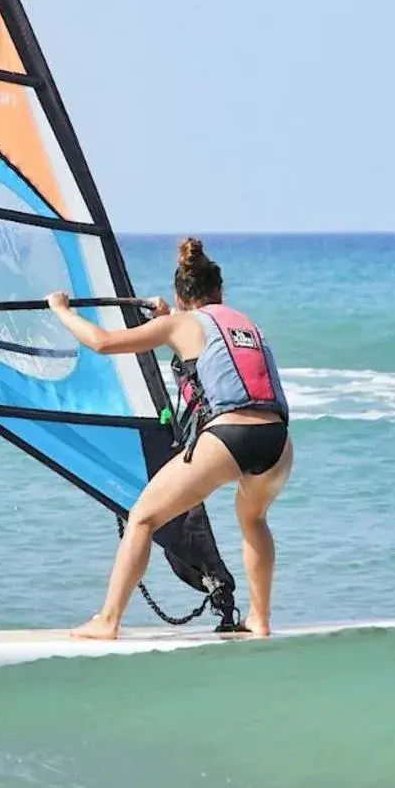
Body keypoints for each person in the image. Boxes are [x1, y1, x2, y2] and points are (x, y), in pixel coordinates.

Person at [45, 237, 294, 640]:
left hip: (229, 435)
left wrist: (62, 310)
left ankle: (107, 621)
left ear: (181, 295)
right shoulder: (247, 325)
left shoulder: (180, 322)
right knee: (253, 518)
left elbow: (102, 343)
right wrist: (168, 318)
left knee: (142, 517)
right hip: (278, 441)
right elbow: (205, 358)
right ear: (220, 292)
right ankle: (260, 620)